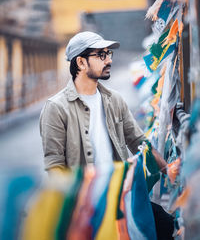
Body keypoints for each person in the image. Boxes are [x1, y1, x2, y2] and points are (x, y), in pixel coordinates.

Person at [40, 31, 174, 239]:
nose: (109, 59)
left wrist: (168, 168)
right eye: (101, 55)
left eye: (109, 53)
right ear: (81, 63)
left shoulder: (114, 100)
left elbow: (139, 141)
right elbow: (54, 164)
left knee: (165, 226)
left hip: (119, 195)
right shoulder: (56, 108)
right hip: (86, 205)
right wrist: (72, 211)